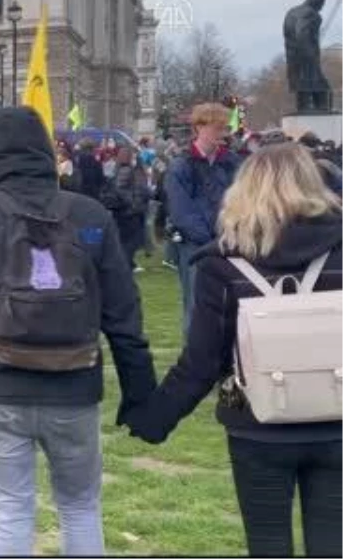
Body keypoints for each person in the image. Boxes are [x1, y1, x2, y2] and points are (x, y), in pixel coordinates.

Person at [0, 107, 157, 556]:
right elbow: (124, 313)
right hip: (72, 384)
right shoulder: (88, 213)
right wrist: (140, 392)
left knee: (12, 510)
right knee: (80, 508)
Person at [126, 143, 343, 556]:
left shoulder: (224, 264)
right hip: (336, 417)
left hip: (255, 423)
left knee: (267, 542)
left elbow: (203, 361)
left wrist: (155, 416)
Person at [166, 103, 241, 339]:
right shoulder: (181, 166)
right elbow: (181, 211)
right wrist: (209, 240)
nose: (223, 134)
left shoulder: (233, 163)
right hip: (195, 247)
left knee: (235, 303)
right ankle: (195, 359)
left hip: (231, 242)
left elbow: (244, 200)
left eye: (225, 128)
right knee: (197, 305)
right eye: (218, 128)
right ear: (199, 127)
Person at [102, 146, 151, 272]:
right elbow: (122, 190)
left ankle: (127, 264)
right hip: (128, 213)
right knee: (130, 242)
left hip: (124, 212)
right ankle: (124, 265)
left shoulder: (120, 169)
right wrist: (132, 202)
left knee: (126, 241)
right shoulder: (126, 170)